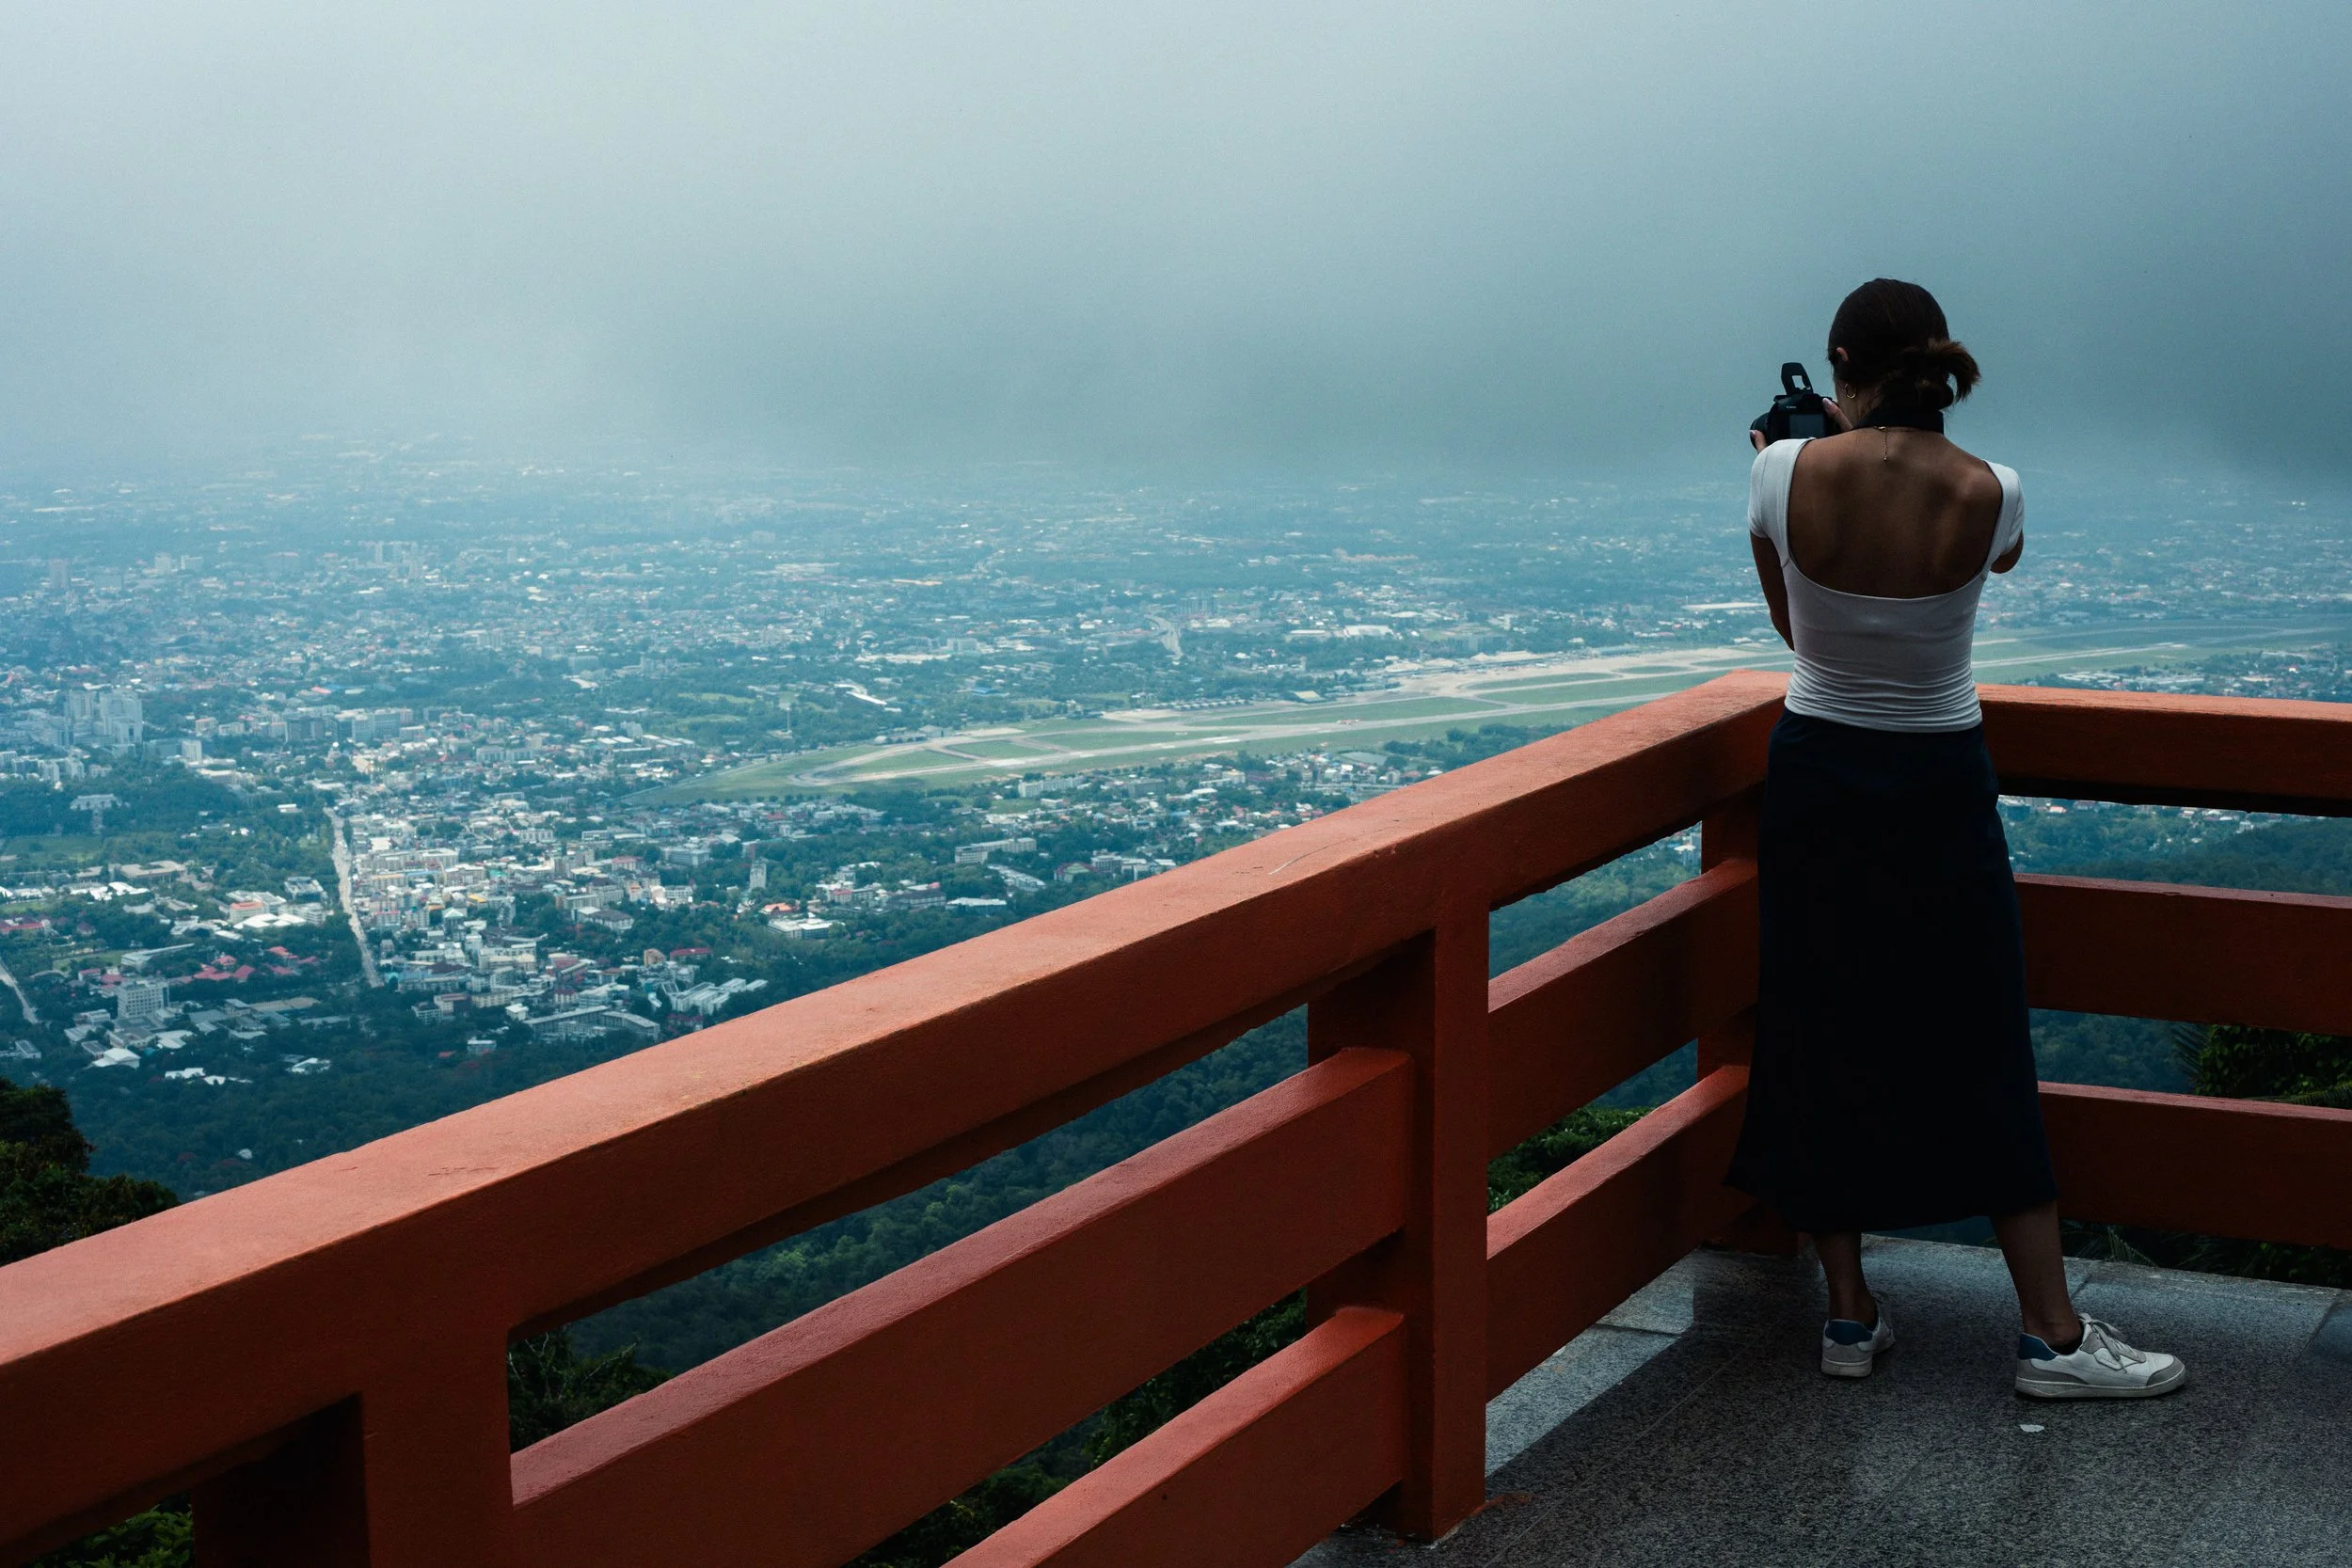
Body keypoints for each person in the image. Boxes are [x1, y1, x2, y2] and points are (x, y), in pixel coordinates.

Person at [1724, 278, 2186, 1400]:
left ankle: (1847, 1315)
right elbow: (1991, 562)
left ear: (1837, 361)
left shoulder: (1778, 472)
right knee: (1979, 1033)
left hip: (1818, 770)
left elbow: (1797, 629)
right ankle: (2049, 1332)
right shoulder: (1994, 489)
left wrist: (1806, 445)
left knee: (1815, 1018)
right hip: (1939, 777)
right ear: (1935, 363)